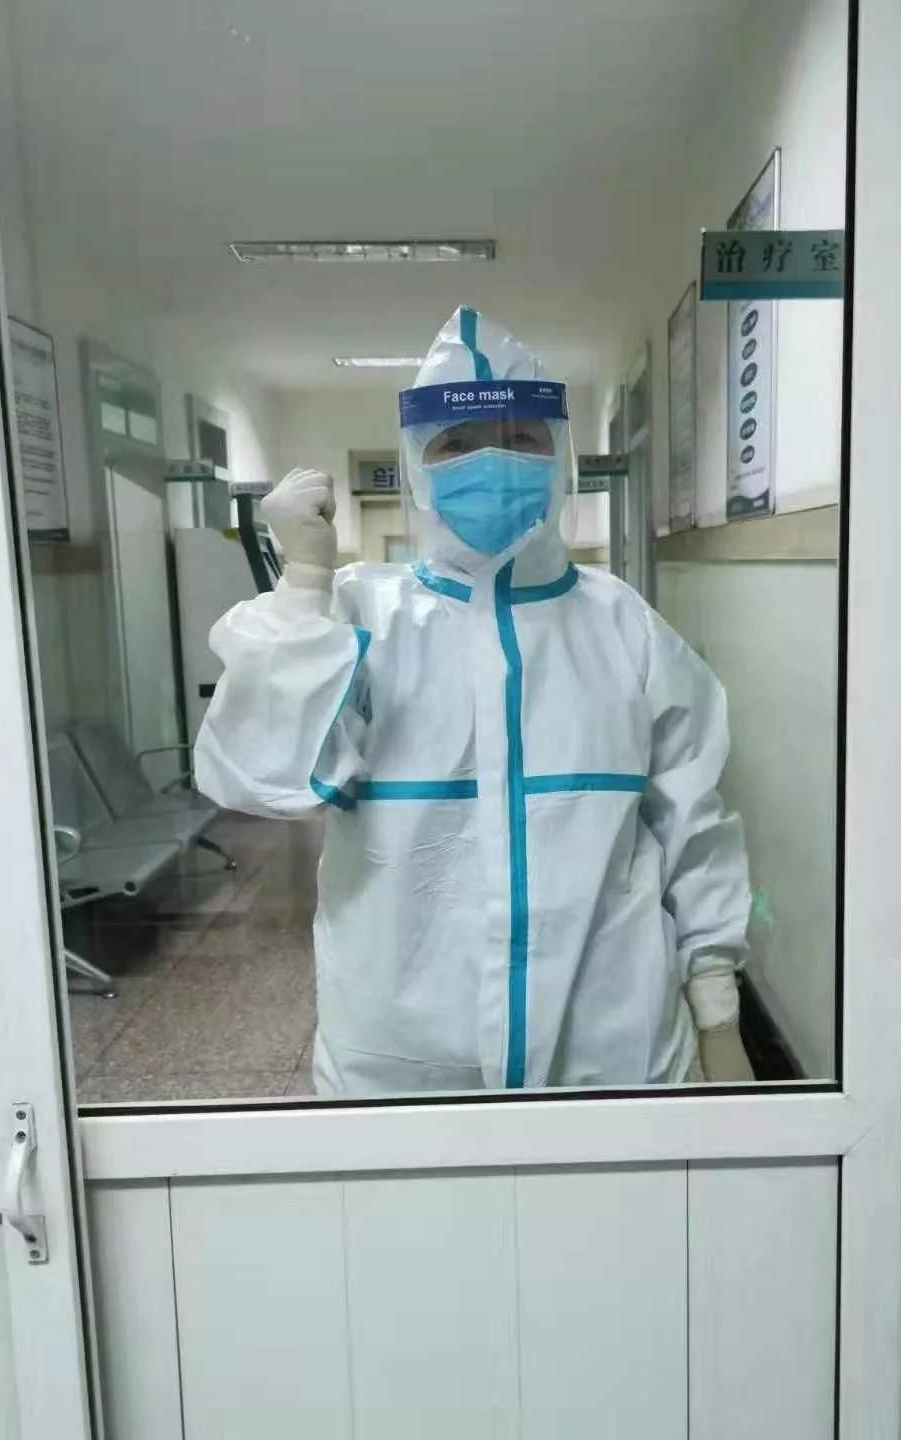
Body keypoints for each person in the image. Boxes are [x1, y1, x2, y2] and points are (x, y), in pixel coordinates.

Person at [195, 306, 754, 1095]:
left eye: (520, 438)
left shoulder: (623, 626)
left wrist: (718, 1009)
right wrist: (303, 586)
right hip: (403, 1055)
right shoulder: (354, 617)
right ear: (417, 464)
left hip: (610, 1046)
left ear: (556, 455)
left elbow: (694, 827)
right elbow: (263, 777)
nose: (491, 460)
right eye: (457, 443)